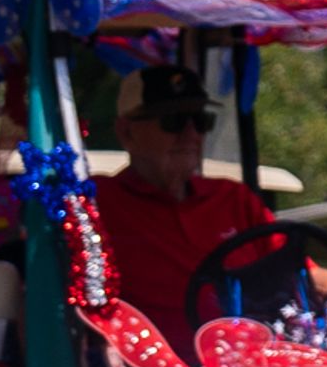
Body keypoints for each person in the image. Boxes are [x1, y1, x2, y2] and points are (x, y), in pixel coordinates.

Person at [96, 62, 313, 346]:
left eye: (200, 121)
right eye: (173, 121)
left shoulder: (234, 199)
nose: (192, 135)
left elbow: (307, 275)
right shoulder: (98, 203)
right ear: (127, 133)